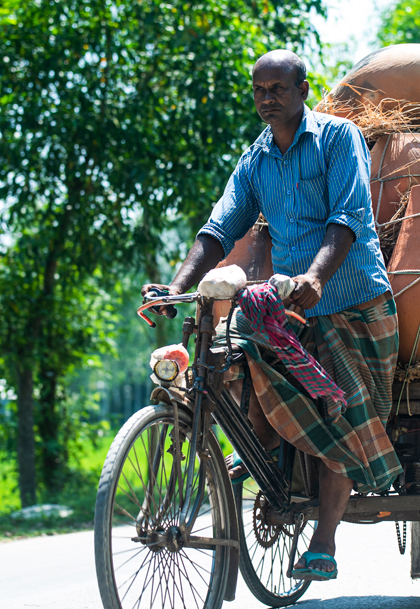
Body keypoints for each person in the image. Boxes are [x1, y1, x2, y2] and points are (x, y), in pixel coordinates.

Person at [144, 50, 401, 580]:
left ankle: (324, 541)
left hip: (353, 302)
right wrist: (175, 287)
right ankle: (257, 450)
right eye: (259, 90)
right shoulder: (256, 160)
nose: (267, 99)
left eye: (278, 89)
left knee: (341, 415)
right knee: (235, 356)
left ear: (304, 89)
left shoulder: (337, 138)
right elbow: (218, 230)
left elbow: (348, 217)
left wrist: (316, 276)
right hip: (294, 310)